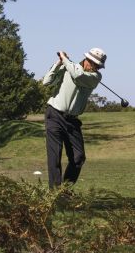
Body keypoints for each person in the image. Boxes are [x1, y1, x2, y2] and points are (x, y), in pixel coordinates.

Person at [42, 47, 106, 188]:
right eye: (93, 63)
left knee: (78, 158)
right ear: (86, 59)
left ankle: (65, 189)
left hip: (72, 121)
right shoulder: (68, 67)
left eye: (98, 66)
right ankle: (55, 193)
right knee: (55, 157)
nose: (95, 67)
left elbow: (77, 75)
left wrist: (64, 59)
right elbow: (46, 81)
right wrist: (58, 64)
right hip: (54, 115)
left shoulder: (95, 77)